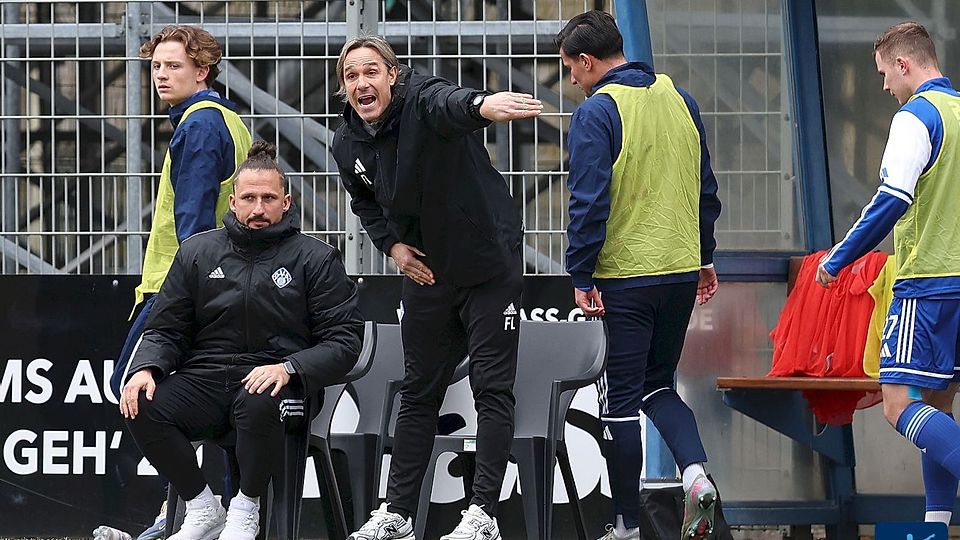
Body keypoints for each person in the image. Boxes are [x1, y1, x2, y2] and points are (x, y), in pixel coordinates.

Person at [330, 35, 541, 540]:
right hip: (427, 273)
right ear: (344, 88)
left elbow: (449, 103)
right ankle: (397, 513)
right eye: (352, 75)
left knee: (492, 388)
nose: (362, 82)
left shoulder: (423, 100)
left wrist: (483, 105)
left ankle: (483, 513)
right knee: (419, 392)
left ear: (393, 76)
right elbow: (364, 202)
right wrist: (393, 247)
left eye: (371, 72)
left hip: (489, 266)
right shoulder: (347, 141)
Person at [120, 141, 364, 540]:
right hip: (208, 379)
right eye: (248, 198)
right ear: (232, 203)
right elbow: (166, 328)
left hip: (285, 384)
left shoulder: (315, 258)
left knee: (258, 396)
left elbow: (344, 341)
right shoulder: (198, 252)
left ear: (286, 203)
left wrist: (290, 368)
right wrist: (147, 366)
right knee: (140, 403)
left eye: (269, 198)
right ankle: (202, 506)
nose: (258, 209)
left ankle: (245, 509)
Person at [556, 11, 723, 540]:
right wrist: (705, 256)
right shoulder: (680, 98)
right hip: (678, 270)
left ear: (587, 61)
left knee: (621, 403)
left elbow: (587, 202)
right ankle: (695, 474)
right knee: (659, 386)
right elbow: (706, 187)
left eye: (570, 70)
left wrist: (580, 272)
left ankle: (625, 525)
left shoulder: (597, 111)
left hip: (625, 276)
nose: (571, 82)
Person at [108, 25, 253, 540]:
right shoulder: (229, 121)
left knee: (134, 385)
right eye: (157, 67)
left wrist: (187, 296)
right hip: (221, 285)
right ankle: (202, 512)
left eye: (174, 66)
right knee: (211, 401)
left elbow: (192, 221)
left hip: (182, 287)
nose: (162, 76)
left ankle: (199, 505)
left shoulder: (200, 125)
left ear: (203, 70)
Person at [817, 21, 960, 525]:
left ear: (904, 64)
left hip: (929, 283)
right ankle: (935, 528)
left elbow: (893, 199)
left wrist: (839, 258)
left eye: (883, 73)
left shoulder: (915, 117)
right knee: (937, 410)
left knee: (899, 406)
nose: (883, 87)